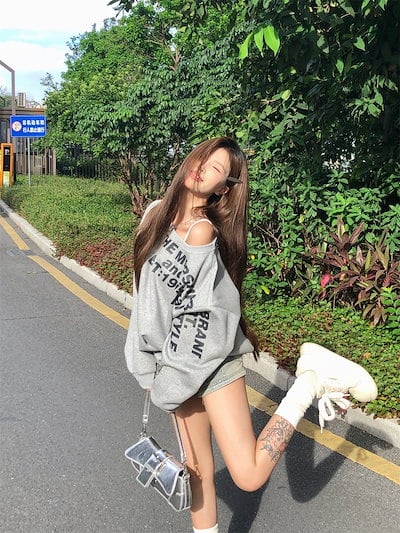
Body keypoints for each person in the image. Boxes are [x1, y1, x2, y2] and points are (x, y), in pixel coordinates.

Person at [125, 136, 378, 533]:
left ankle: (309, 382)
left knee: (248, 475)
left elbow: (200, 320)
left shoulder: (201, 232)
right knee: (196, 474)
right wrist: (146, 364)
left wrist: (170, 378)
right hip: (171, 365)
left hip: (210, 361)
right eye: (203, 158)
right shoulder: (155, 214)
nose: (202, 169)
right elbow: (144, 300)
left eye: (216, 169)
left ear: (223, 188)